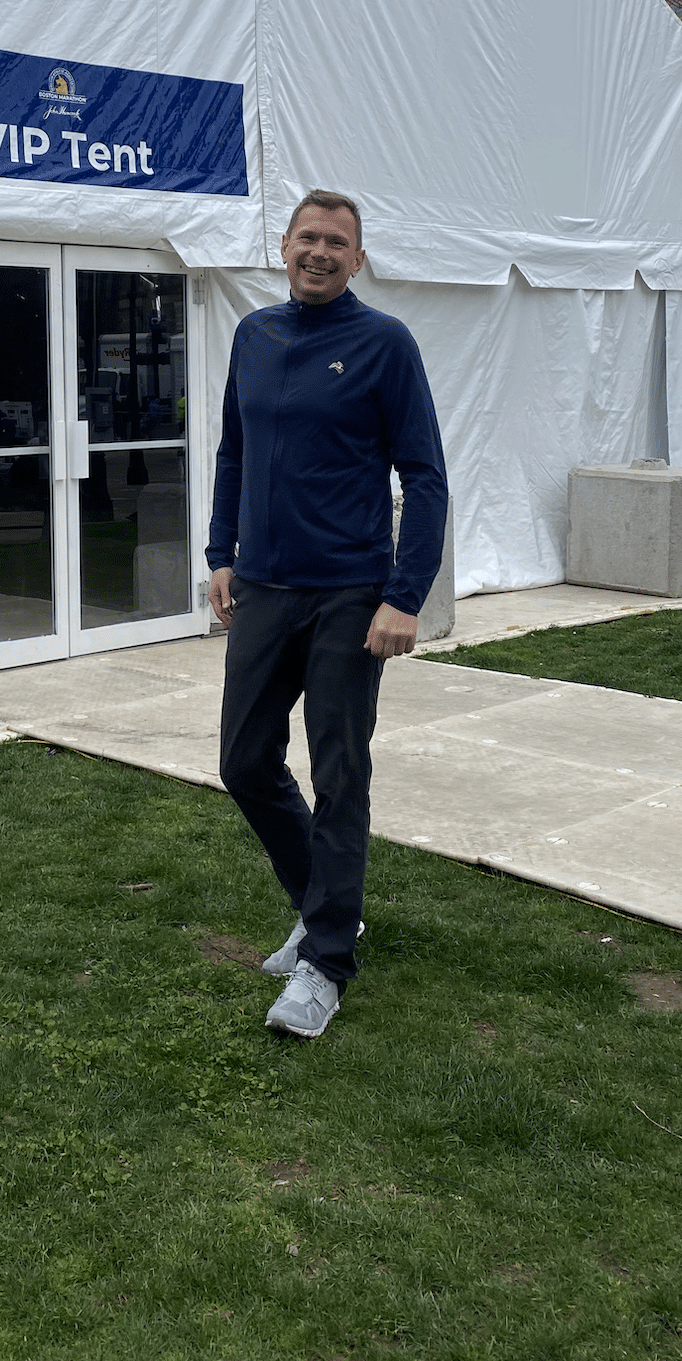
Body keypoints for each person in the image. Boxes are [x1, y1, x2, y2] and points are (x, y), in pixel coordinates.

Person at [206, 189, 448, 1039]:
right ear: (283, 247)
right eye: (307, 237)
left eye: (336, 242)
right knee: (244, 762)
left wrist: (402, 595)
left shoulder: (384, 343)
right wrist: (220, 551)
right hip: (264, 589)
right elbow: (235, 447)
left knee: (339, 776)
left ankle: (327, 962)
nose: (319, 251)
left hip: (350, 594)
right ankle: (325, 909)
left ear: (357, 257)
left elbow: (424, 477)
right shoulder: (254, 335)